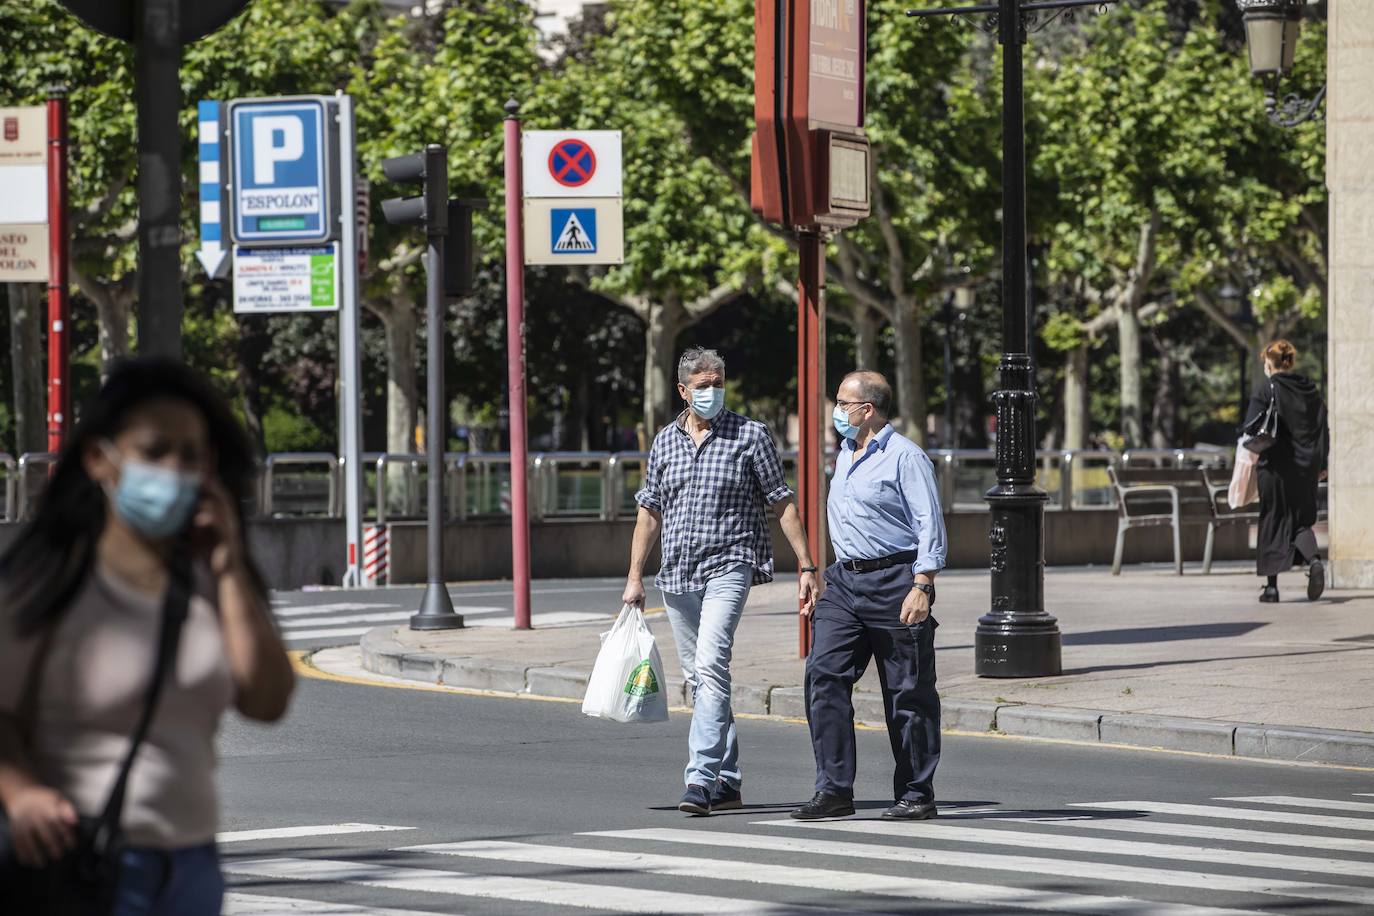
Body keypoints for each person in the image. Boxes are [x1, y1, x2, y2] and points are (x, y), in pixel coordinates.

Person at [0, 358, 296, 914]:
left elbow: (267, 699)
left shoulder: (213, 577)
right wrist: (22, 795)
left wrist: (231, 567)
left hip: (192, 865)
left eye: (191, 455)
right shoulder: (47, 583)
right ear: (99, 460)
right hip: (81, 860)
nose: (174, 470)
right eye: (154, 451)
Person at [623, 347, 819, 816]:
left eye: (717, 383)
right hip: (676, 572)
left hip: (731, 564)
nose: (711, 392)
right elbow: (649, 511)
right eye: (702, 385)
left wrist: (808, 566)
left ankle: (699, 778)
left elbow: (781, 502)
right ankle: (728, 782)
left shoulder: (751, 435)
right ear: (683, 390)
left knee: (711, 666)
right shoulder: (666, 441)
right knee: (699, 677)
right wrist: (634, 577)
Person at [795, 370, 946, 821]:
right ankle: (834, 789)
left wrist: (922, 585)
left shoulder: (906, 457)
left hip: (896, 579)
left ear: (869, 409)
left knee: (907, 692)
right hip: (844, 581)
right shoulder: (845, 453)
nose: (836, 412)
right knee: (823, 675)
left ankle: (917, 793)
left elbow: (930, 525)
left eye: (843, 403)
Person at [1245, 339, 1329, 603]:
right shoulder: (1310, 391)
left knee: (1273, 519)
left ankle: (1271, 588)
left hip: (1275, 468)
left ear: (1270, 362)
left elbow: (1251, 426)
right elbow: (1322, 428)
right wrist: (1322, 463)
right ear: (1290, 361)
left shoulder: (1267, 389)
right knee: (1300, 521)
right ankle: (1314, 561)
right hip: (1306, 469)